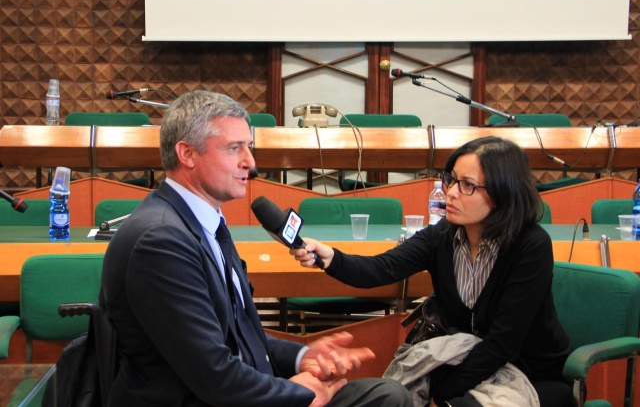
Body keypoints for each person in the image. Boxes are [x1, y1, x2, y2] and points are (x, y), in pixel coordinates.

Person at [100, 90, 412, 407]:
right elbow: (214, 376)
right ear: (187, 154)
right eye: (235, 149)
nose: (250, 163)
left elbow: (238, 336)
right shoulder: (161, 241)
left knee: (387, 396)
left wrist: (303, 356)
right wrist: (304, 395)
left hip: (234, 390)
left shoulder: (201, 222)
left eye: (248, 147)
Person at [290, 136, 574, 407]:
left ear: (502, 194)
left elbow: (503, 343)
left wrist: (442, 395)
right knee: (401, 392)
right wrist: (330, 258)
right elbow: (380, 268)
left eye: (467, 185)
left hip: (530, 373)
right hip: (464, 360)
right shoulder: (442, 236)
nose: (449, 192)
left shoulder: (530, 245)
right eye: (450, 179)